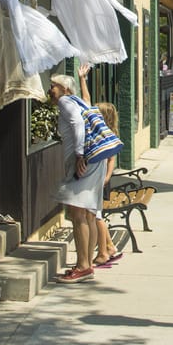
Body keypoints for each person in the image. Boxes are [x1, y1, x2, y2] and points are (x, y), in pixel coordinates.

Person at [49, 68, 123, 283]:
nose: (50, 90)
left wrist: (80, 154)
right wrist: (83, 79)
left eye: (53, 86)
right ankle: (87, 264)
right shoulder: (79, 102)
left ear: (64, 88)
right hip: (96, 161)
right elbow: (88, 101)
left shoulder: (65, 102)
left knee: (77, 213)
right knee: (89, 214)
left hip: (84, 161)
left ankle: (82, 266)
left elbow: (77, 123)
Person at [91, 101, 124, 268]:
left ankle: (104, 251)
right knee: (96, 214)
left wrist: (106, 177)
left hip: (100, 180)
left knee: (96, 215)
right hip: (98, 179)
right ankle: (109, 246)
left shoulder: (106, 135)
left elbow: (111, 160)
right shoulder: (102, 133)